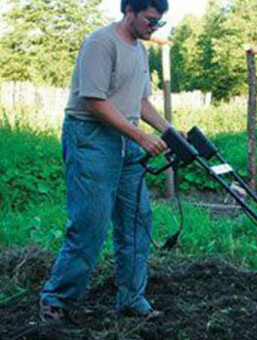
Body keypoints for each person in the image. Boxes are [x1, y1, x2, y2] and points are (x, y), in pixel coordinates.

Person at [40, 0, 171, 322]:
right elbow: (94, 100)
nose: (154, 28)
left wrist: (171, 132)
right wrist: (141, 137)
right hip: (91, 138)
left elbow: (140, 101)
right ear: (130, 11)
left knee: (137, 222)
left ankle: (131, 299)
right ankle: (57, 298)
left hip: (126, 140)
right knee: (90, 225)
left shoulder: (140, 50)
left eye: (159, 23)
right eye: (151, 20)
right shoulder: (101, 43)